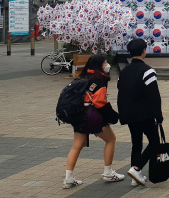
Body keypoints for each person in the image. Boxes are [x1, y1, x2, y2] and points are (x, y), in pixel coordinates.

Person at [64, 56, 124, 188]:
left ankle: (68, 178)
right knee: (111, 140)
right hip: (92, 116)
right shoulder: (99, 79)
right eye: (105, 62)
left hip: (79, 115)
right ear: (99, 65)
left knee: (77, 145)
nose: (107, 64)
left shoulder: (84, 77)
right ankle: (108, 172)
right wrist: (113, 116)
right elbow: (99, 102)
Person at [118, 39, 163, 186]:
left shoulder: (124, 71)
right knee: (154, 142)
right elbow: (154, 96)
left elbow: (121, 91)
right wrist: (158, 116)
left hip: (129, 113)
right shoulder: (148, 71)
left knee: (136, 143)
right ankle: (137, 169)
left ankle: (135, 177)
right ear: (144, 50)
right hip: (145, 114)